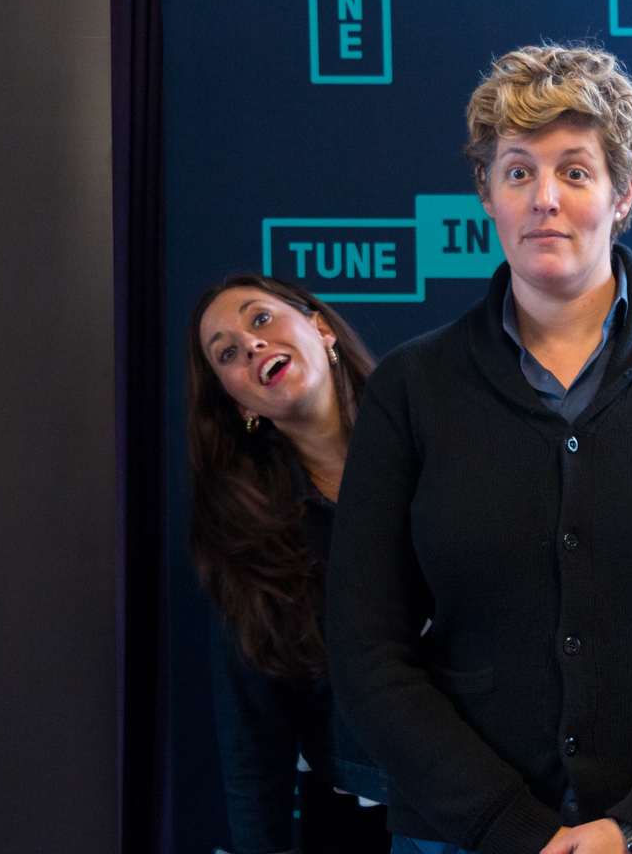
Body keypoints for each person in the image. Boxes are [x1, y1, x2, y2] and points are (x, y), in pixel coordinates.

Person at [326, 44, 632, 854]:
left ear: (623, 195)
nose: (545, 198)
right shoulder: (411, 388)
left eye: (575, 172)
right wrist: (509, 828)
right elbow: (366, 649)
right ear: (486, 194)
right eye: (518, 172)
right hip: (464, 836)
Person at [188, 274, 391, 854]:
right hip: (364, 816)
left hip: (510, 801)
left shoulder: (439, 442)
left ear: (321, 328)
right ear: (237, 400)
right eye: (226, 353)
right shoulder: (248, 535)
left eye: (260, 320)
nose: (251, 345)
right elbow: (252, 731)